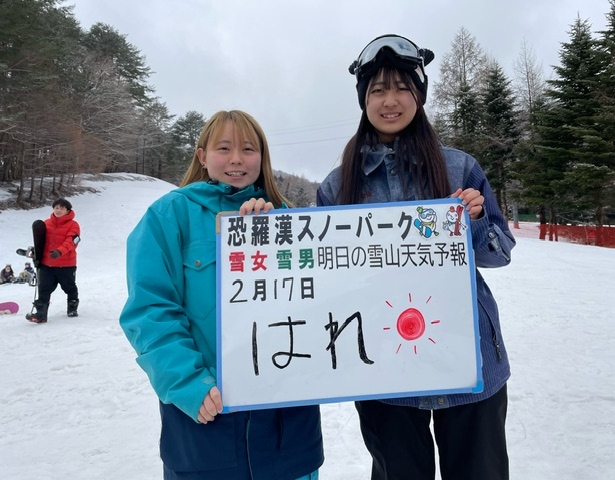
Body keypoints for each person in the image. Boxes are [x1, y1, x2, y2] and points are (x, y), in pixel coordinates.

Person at [316, 34, 516, 480]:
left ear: (419, 95)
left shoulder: (459, 167)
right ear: (364, 100)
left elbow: (500, 254)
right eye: (378, 90)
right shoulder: (337, 186)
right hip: (383, 369)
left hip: (471, 361)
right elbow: (324, 274)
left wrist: (477, 221)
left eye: (402, 87)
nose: (391, 100)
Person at [119, 110, 323, 480]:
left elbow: (323, 305)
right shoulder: (169, 215)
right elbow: (149, 310)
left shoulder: (289, 219)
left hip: (287, 427)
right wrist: (187, 383)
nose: (236, 159)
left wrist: (270, 235)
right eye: (224, 148)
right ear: (202, 156)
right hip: (207, 418)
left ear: (262, 157)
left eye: (248, 149)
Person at [26, 198, 81, 323]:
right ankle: (41, 315)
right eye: (56, 207)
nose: (58, 210)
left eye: (62, 208)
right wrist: (36, 252)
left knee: (69, 288)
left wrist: (60, 251)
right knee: (43, 288)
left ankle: (72, 308)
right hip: (47, 264)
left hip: (66, 264)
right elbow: (41, 242)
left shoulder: (74, 225)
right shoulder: (46, 224)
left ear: (68, 210)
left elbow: (72, 241)